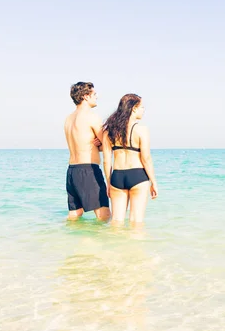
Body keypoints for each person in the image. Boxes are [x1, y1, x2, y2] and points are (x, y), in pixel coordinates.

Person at [102, 94, 158, 226]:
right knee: (136, 222)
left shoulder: (108, 131)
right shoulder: (141, 129)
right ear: (134, 108)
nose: (143, 110)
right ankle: (136, 247)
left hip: (117, 176)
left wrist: (109, 183)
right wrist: (153, 182)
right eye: (142, 107)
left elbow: (106, 161)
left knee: (116, 222)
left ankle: (114, 246)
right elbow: (146, 158)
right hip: (138, 176)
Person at [64, 82, 111, 221]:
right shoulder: (91, 117)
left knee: (74, 215)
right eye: (94, 94)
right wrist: (101, 145)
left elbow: (81, 143)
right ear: (85, 96)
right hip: (88, 170)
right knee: (104, 216)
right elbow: (108, 145)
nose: (97, 97)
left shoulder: (68, 119)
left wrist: (98, 145)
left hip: (72, 171)